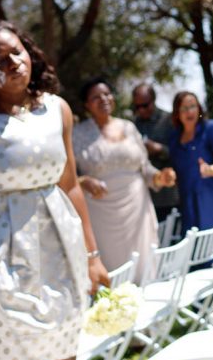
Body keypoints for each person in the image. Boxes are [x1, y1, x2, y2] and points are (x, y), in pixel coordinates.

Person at [0, 21, 109, 360]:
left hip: (60, 246)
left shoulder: (57, 110)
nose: (14, 64)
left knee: (63, 359)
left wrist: (92, 256)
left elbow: (70, 185)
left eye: (17, 53)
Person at [73, 77, 176, 279]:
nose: (103, 99)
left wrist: (159, 178)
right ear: (86, 105)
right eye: (96, 97)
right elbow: (68, 174)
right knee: (112, 271)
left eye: (107, 94)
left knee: (143, 265)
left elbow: (145, 169)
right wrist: (84, 181)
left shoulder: (128, 127)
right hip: (100, 214)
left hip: (137, 211)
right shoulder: (77, 134)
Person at [167, 91, 213, 232]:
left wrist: (210, 170)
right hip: (188, 207)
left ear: (199, 108)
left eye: (193, 106)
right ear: (177, 113)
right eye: (184, 108)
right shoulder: (174, 138)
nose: (189, 111)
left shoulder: (211, 128)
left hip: (212, 203)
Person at [130, 82, 178, 221]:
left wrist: (160, 149)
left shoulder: (169, 120)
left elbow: (181, 154)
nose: (142, 110)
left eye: (145, 105)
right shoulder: (133, 125)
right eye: (137, 106)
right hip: (143, 195)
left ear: (153, 101)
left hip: (166, 196)